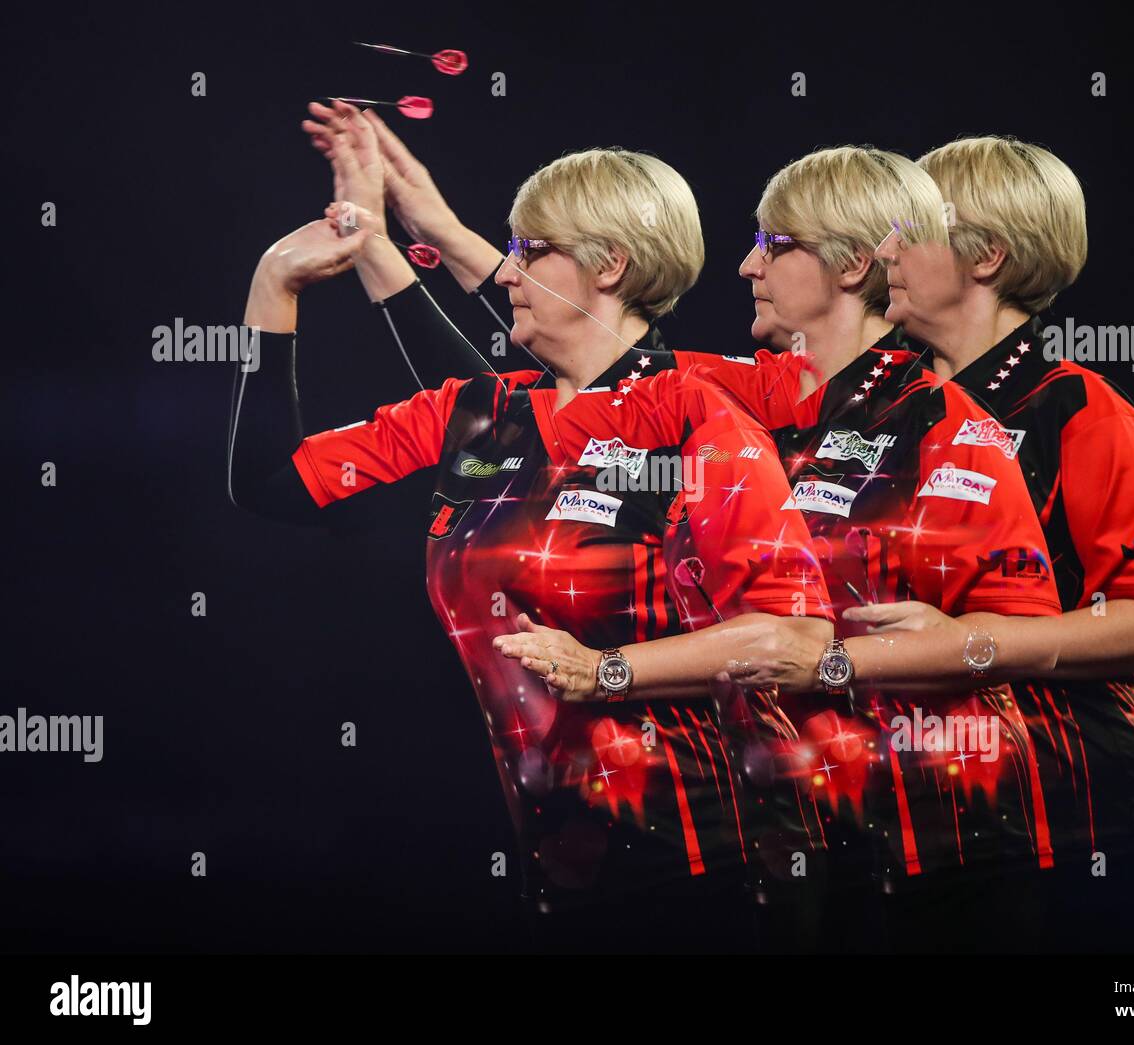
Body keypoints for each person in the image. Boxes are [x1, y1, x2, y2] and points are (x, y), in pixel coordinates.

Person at [227, 143, 835, 952]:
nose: (505, 273)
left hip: (703, 863)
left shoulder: (700, 418)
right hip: (546, 871)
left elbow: (798, 633)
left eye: (528, 251)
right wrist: (277, 280)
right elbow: (266, 480)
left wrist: (604, 669)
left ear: (610, 264)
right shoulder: (477, 413)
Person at [870, 135, 1134, 950]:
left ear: (986, 255)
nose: (884, 249)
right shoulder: (879, 412)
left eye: (910, 230)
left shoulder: (1080, 409)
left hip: (1076, 812)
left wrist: (974, 644)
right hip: (922, 817)